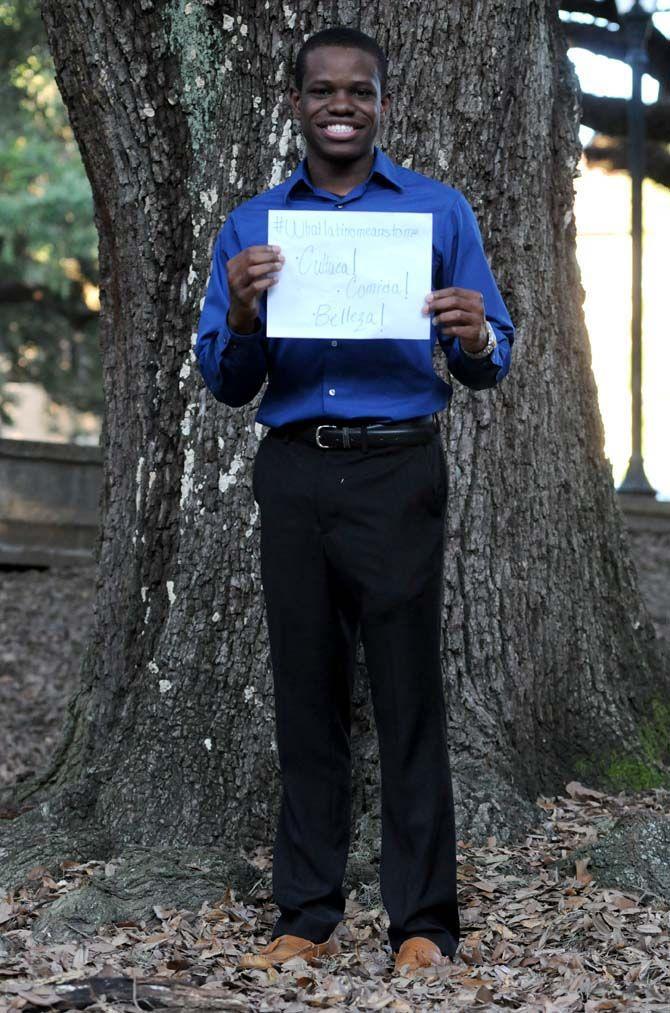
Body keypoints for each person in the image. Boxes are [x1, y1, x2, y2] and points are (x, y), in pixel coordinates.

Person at [195, 26, 515, 977]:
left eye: (361, 91)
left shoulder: (434, 211)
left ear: (384, 103)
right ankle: (307, 911)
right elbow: (226, 380)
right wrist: (246, 315)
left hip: (398, 471)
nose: (343, 104)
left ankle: (424, 920)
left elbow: (489, 354)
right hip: (295, 472)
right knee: (306, 694)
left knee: (408, 697)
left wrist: (474, 338)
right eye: (324, 90)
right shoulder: (253, 226)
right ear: (295, 103)